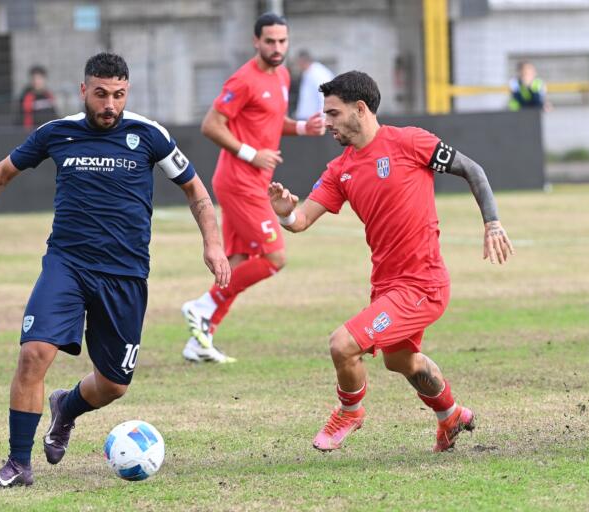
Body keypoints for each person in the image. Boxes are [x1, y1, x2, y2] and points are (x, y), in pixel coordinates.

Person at [0, 52, 230, 488]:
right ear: (83, 90)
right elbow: (2, 172)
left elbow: (196, 190)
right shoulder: (57, 133)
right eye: (100, 94)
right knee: (33, 354)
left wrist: (213, 243)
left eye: (118, 95)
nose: (109, 105)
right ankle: (18, 465)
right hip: (67, 266)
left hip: (125, 275)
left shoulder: (149, 135)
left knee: (114, 385)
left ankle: (67, 407)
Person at [268, 71, 514, 453]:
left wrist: (492, 223)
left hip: (423, 284)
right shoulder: (340, 170)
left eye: (333, 113)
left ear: (360, 109)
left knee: (342, 345)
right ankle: (450, 415)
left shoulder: (410, 142)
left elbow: (473, 170)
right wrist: (285, 213)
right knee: (401, 361)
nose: (326, 122)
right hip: (386, 286)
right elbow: (300, 221)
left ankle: (350, 411)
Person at [180, 12, 325, 364]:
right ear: (256, 41)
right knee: (275, 257)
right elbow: (211, 125)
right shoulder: (243, 79)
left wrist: (302, 128)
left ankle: (200, 340)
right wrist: (251, 153)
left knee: (238, 261)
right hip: (239, 182)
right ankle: (202, 306)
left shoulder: (283, 75)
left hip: (256, 181)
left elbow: (271, 121)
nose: (277, 47)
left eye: (282, 41)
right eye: (270, 41)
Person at [294, 49, 335, 120]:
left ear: (302, 61)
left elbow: (325, 95)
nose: (298, 65)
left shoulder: (317, 73)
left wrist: (322, 117)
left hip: (316, 119)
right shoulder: (307, 72)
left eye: (298, 62)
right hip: (308, 118)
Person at [18, 65, 59, 130]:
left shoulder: (49, 95)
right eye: (34, 79)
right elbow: (20, 118)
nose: (36, 81)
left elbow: (55, 115)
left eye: (39, 78)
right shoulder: (26, 97)